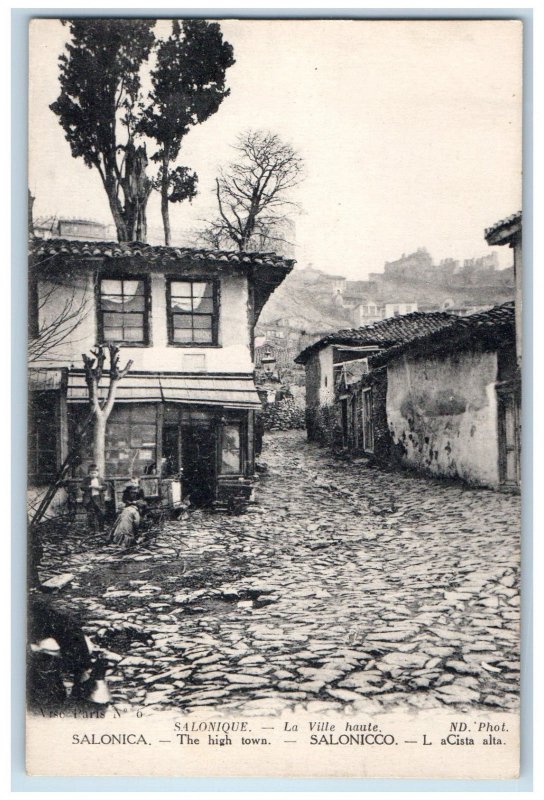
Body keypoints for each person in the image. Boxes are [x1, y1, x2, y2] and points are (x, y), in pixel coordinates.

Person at [81, 464, 107, 532]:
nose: (93, 474)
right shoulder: (86, 479)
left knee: (100, 513)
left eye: (95, 473)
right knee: (90, 514)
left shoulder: (100, 479)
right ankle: (92, 529)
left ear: (97, 473)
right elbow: (82, 487)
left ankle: (101, 529)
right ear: (88, 473)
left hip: (98, 498)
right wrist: (89, 486)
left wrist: (100, 487)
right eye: (91, 473)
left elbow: (105, 487)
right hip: (89, 499)